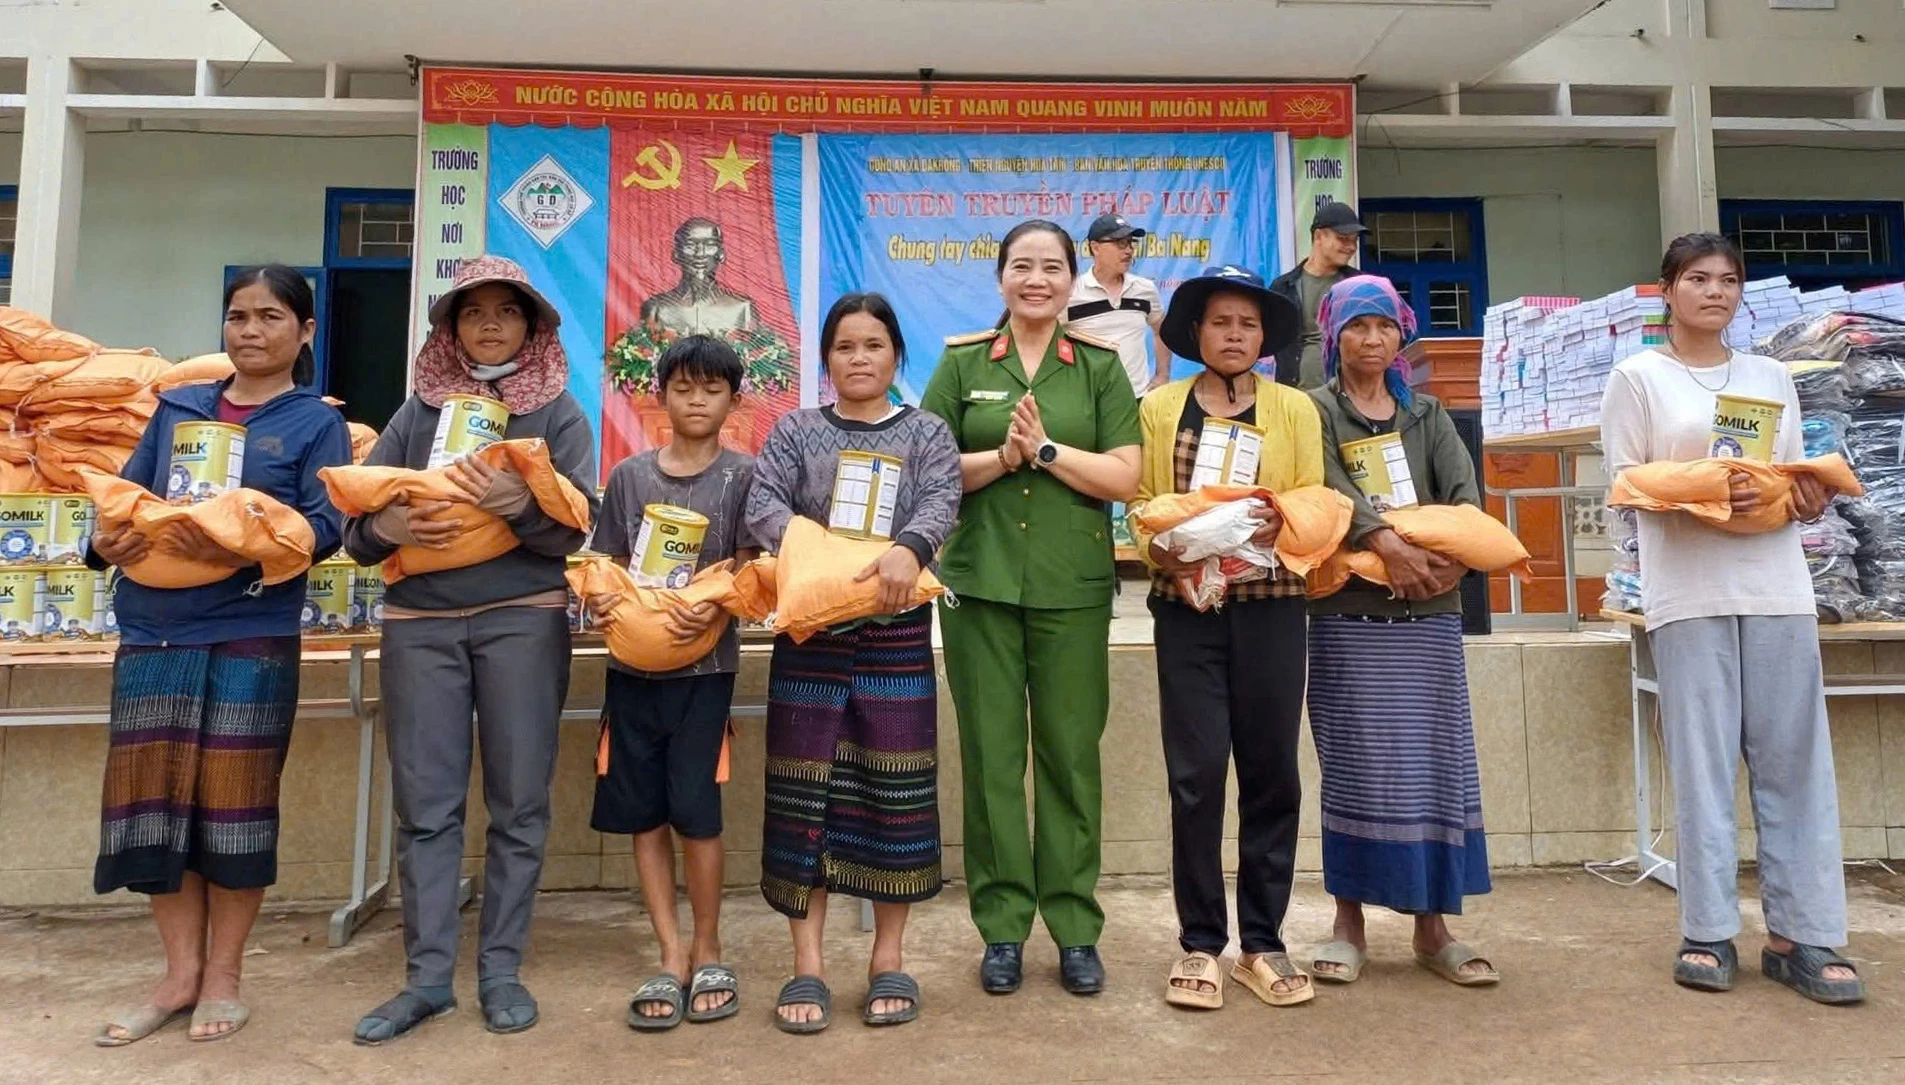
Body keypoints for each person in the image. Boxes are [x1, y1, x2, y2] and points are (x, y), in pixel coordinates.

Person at [90, 265, 352, 1045]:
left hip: (247, 630)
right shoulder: (178, 409)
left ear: (304, 332)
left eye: (271, 316)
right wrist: (102, 541)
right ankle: (177, 975)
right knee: (154, 806)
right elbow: (123, 499)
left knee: (232, 808)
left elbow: (326, 525)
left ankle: (225, 976)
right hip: (154, 630)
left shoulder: (314, 424)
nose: (249, 330)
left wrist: (246, 532)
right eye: (238, 315)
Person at [1600, 233, 1862, 1005]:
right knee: (1704, 764)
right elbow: (1624, 484)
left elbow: (1783, 475)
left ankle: (1801, 935)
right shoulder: (1638, 378)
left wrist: (1802, 496)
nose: (1713, 292)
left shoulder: (1768, 375)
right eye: (1697, 278)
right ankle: (1707, 930)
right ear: (1666, 290)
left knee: (1794, 761)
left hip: (1776, 584)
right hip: (1689, 591)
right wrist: (1704, 495)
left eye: (1726, 280)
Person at [346, 256, 600, 1043]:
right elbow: (357, 527)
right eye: (472, 312)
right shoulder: (415, 414)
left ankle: (499, 969)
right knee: (426, 806)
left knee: (519, 801)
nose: (489, 323)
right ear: (449, 328)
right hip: (420, 625)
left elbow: (580, 524)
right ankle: (426, 979)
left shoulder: (556, 414)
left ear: (532, 326)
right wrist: (386, 527)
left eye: (506, 311)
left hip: (520, 618)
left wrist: (523, 506)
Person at [921, 220, 1142, 997]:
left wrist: (1045, 451)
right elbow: (930, 469)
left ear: (1072, 279)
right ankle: (1003, 927)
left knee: (1070, 758)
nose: (1036, 279)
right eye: (1022, 265)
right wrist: (1001, 457)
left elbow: (1124, 475)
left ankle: (1075, 926)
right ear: (1001, 277)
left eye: (1051, 266)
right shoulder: (958, 364)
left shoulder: (1100, 369)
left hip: (1070, 587)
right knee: (990, 759)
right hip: (979, 586)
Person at [744, 293, 962, 1032]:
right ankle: (806, 964)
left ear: (896, 353)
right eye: (844, 346)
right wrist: (827, 557)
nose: (859, 357)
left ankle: (887, 955)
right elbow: (762, 505)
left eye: (873, 344)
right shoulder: (796, 431)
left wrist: (909, 549)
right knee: (804, 795)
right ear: (826, 359)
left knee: (890, 792)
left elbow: (941, 498)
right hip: (808, 638)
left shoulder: (926, 431)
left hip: (895, 634)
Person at [1128, 266, 1319, 1010]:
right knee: (1196, 772)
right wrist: (1162, 552)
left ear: (1264, 336)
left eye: (1245, 323)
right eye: (1218, 323)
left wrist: (1280, 522)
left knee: (1271, 769)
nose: (1233, 335)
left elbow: (1311, 497)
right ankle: (1201, 943)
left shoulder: (1294, 409)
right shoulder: (1159, 408)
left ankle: (1263, 943)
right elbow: (1143, 505)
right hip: (1186, 609)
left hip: (1271, 604)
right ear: (1195, 334)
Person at [1305, 274, 1499, 989]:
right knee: (1354, 766)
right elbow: (1324, 486)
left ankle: (1432, 928)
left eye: (1383, 326)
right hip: (1347, 618)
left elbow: (1463, 497)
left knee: (1435, 768)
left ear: (1399, 335)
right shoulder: (1315, 412)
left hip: (1428, 619)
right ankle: (1346, 924)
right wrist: (1384, 542)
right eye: (1356, 326)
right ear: (1333, 336)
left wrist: (1445, 564)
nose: (1371, 339)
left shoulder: (1427, 414)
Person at [588, 334, 758, 1032]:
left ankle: (709, 947)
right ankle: (667, 953)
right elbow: (602, 562)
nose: (695, 399)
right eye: (683, 386)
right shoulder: (629, 477)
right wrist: (599, 603)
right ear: (659, 394)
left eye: (711, 389)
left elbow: (753, 568)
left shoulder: (743, 477)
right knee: (645, 814)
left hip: (705, 674)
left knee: (696, 810)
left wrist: (716, 603)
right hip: (630, 673)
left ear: (733, 400)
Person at [1066, 212, 1169, 396]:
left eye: (1131, 243)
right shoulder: (1070, 293)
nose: (1129, 250)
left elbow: (1162, 331)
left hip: (1136, 398)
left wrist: (1162, 376)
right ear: (1095, 247)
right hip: (1088, 402)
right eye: (1120, 243)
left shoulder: (1144, 289)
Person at [1269, 201, 1365, 389]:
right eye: (1343, 238)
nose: (1351, 246)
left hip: (1348, 398)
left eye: (1355, 240)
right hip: (1294, 398)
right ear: (1319, 236)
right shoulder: (1283, 287)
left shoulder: (1360, 285)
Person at [640, 217, 760, 336]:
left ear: (721, 254)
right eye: (690, 245)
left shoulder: (743, 307)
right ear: (676, 254)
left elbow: (755, 351)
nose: (700, 253)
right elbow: (643, 351)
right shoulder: (657, 308)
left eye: (710, 245)